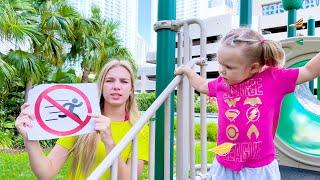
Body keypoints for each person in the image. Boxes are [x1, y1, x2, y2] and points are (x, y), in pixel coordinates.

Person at [175, 28, 320, 180]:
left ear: (254, 67)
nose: (221, 71)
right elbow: (202, 85)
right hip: (225, 163)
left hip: (258, 168)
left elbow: (308, 71)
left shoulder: (274, 79)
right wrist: (188, 72)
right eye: (220, 64)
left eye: (229, 67)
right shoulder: (221, 83)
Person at [15, 59, 149, 179]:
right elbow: (46, 172)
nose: (116, 86)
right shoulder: (81, 119)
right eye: (109, 80)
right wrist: (30, 138)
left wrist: (109, 142)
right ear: (101, 86)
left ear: (132, 89)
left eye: (124, 81)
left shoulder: (139, 129)